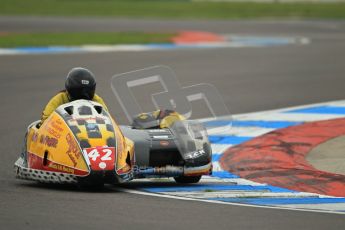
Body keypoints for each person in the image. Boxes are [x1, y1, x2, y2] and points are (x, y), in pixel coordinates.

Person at [40, 67, 108, 125]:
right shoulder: (60, 98)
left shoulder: (96, 99)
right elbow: (45, 120)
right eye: (78, 90)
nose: (83, 94)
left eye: (87, 91)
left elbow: (107, 118)